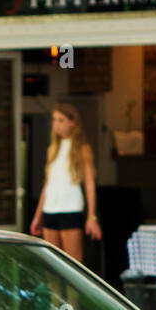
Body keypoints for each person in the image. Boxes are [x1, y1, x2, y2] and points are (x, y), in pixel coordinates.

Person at [30, 103, 102, 263]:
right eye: (54, 120)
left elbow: (90, 184)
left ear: (72, 122)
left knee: (73, 263)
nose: (56, 124)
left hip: (70, 209)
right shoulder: (52, 150)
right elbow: (47, 185)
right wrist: (37, 216)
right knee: (52, 263)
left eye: (61, 120)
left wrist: (92, 217)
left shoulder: (83, 149)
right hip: (50, 210)